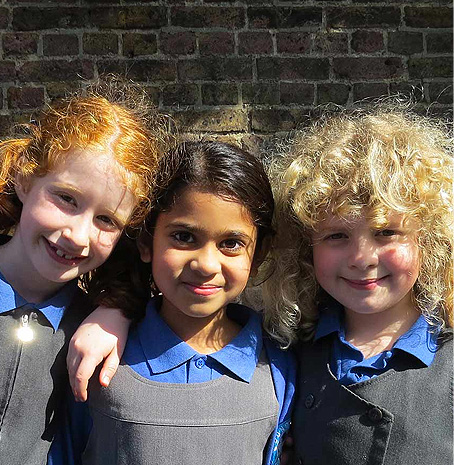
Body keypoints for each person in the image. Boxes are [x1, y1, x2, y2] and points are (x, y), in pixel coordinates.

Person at [64, 140, 295, 465]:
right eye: (184, 237)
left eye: (231, 243)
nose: (206, 265)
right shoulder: (97, 357)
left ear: (257, 255)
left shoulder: (280, 366)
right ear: (147, 241)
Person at [262, 104, 453, 465]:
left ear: (429, 239)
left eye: (386, 232)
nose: (362, 258)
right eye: (336, 235)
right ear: (305, 248)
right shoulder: (284, 352)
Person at [0, 77, 170, 465]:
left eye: (106, 220)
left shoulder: (92, 327)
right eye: (66, 198)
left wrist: (118, 311)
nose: (77, 236)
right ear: (25, 179)